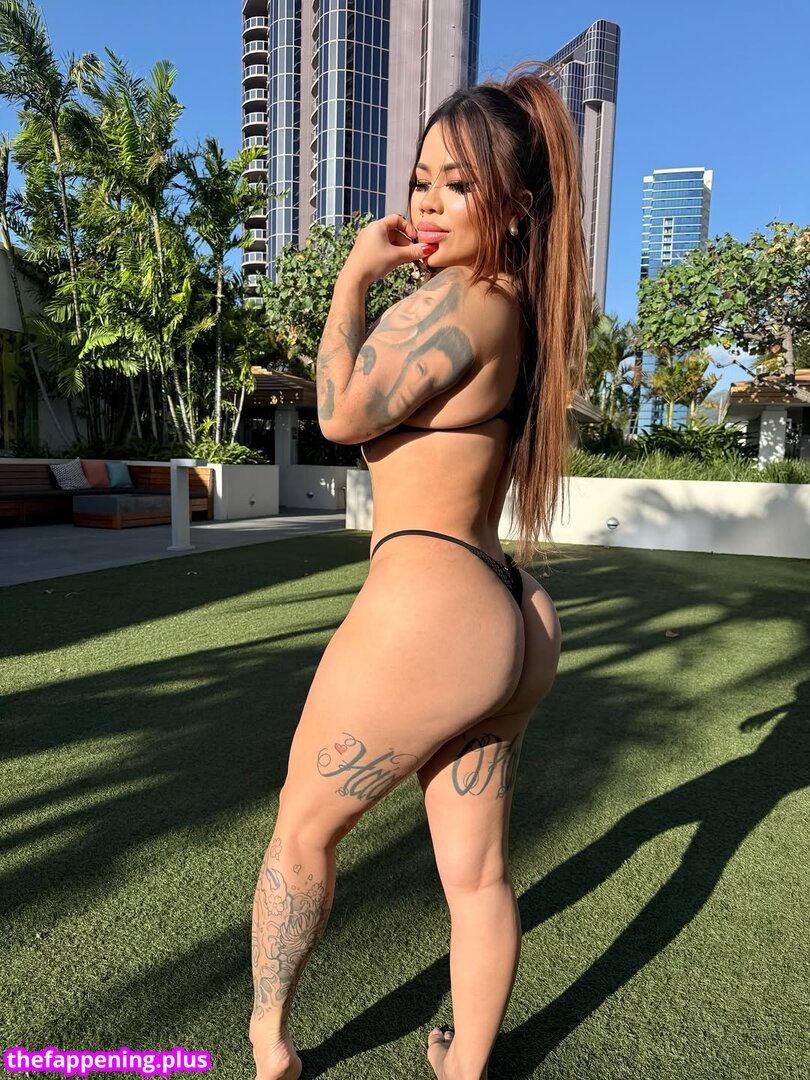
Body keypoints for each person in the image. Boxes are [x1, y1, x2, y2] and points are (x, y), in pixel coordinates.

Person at [250, 60, 591, 1080]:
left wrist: (353, 278)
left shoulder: (459, 300)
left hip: (432, 610)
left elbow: (342, 413)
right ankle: (466, 1066)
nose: (429, 204)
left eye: (459, 184)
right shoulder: (517, 306)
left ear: (514, 205)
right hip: (508, 615)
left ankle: (269, 1048)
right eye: (421, 180)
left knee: (300, 834)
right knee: (476, 877)